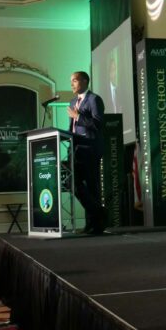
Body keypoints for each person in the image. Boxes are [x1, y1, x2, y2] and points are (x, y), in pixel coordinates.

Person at [67, 71, 106, 234]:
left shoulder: (94, 99)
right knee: (71, 182)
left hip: (90, 150)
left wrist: (78, 116)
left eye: (74, 81)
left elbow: (98, 124)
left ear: (84, 81)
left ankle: (94, 225)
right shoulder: (73, 101)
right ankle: (98, 212)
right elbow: (73, 129)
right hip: (76, 150)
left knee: (92, 187)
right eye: (71, 81)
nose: (72, 84)